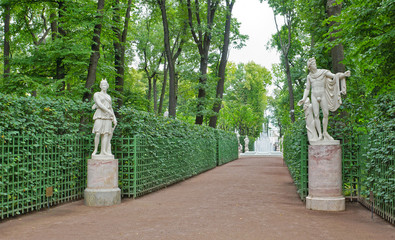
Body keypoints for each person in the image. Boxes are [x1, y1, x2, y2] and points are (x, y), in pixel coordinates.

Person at [298, 57, 350, 141]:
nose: (315, 65)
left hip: (322, 95)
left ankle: (325, 132)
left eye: (315, 63)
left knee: (326, 114)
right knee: (316, 115)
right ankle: (320, 135)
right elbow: (307, 89)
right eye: (313, 64)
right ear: (309, 67)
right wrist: (303, 99)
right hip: (314, 95)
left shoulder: (323, 72)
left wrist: (343, 75)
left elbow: (335, 76)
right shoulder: (309, 76)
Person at [92, 79, 117, 156]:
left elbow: (110, 107)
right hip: (99, 114)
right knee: (98, 133)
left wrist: (114, 118)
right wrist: (108, 112)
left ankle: (104, 151)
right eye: (102, 84)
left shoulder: (109, 96)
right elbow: (99, 104)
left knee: (106, 134)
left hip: (108, 117)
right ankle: (95, 150)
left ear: (107, 86)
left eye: (105, 85)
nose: (104, 86)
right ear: (100, 86)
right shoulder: (97, 94)